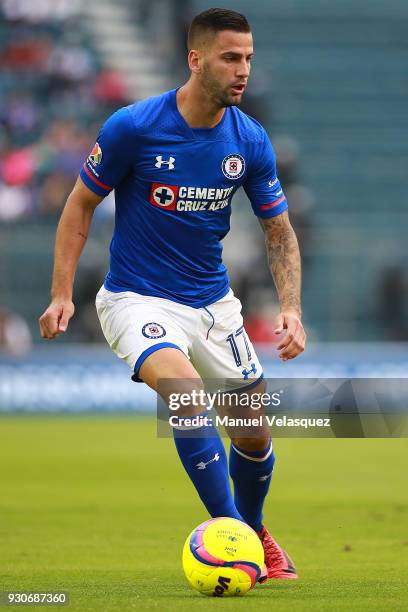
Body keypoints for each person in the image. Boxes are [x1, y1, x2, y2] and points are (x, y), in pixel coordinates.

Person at [39, 8, 306, 583]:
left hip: (213, 304)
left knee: (254, 433)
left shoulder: (249, 139)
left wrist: (290, 308)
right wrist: (62, 293)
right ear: (195, 58)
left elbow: (278, 231)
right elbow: (79, 205)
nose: (243, 71)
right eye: (231, 58)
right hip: (136, 299)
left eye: (249, 59)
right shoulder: (133, 127)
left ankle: (253, 529)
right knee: (185, 395)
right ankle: (234, 538)